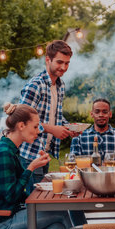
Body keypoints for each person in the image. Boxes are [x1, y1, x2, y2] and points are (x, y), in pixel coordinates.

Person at [18, 40, 78, 184]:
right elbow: (22, 122)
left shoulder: (60, 85)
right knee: (38, 202)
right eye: (59, 62)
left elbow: (53, 115)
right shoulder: (35, 86)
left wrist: (69, 127)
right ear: (47, 60)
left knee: (45, 200)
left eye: (67, 63)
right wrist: (52, 129)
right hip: (29, 156)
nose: (63, 67)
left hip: (44, 153)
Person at [69, 98, 115, 225]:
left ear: (110, 114)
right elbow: (75, 168)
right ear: (91, 114)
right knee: (71, 204)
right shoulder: (79, 137)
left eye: (104, 112)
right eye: (97, 111)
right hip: (88, 188)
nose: (101, 115)